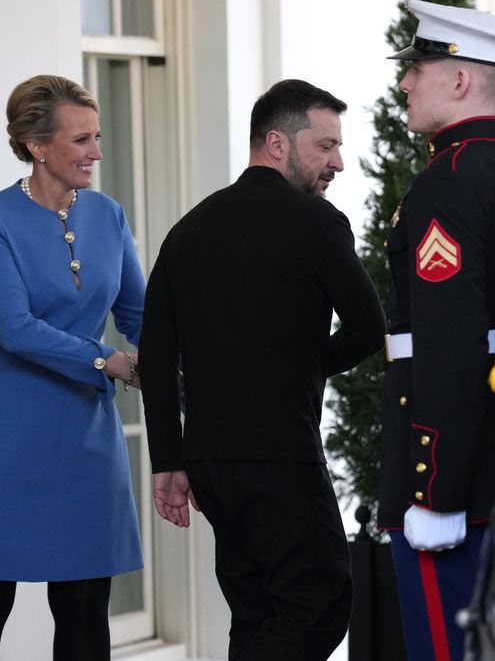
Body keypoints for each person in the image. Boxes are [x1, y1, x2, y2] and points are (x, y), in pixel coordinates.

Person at [140, 79, 385, 660]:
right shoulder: (317, 222)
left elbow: (155, 354)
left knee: (255, 613)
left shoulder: (187, 231)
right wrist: (305, 368)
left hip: (209, 462)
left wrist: (168, 460)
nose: (338, 162)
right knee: (319, 606)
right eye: (325, 146)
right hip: (281, 455)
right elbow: (369, 328)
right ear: (277, 143)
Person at [0, 74, 146, 661]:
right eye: (82, 140)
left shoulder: (109, 215)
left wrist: (186, 364)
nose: (97, 152)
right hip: (1, 438)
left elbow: (140, 315)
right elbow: (13, 327)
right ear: (37, 145)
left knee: (84, 609)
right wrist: (106, 359)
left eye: (97, 137)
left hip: (85, 440)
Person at [378, 0, 495, 661]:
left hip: (454, 483)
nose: (406, 82)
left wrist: (432, 487)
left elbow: (448, 343)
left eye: (419, 68)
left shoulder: (448, 181)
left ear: (462, 79)